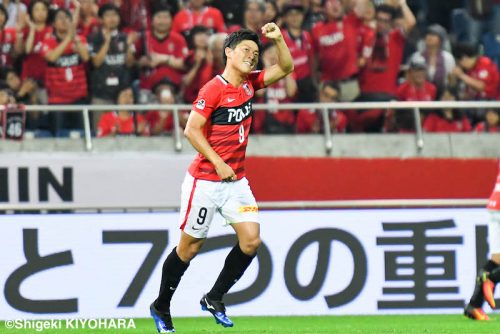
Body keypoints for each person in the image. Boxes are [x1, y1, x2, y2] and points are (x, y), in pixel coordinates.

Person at [149, 23, 293, 333]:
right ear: (228, 52)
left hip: (236, 183)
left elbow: (286, 67)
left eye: (256, 53)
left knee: (251, 241)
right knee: (188, 249)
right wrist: (218, 162)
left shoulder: (249, 84)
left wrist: (279, 39)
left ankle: (214, 297)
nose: (252, 57)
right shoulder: (213, 88)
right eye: (246, 51)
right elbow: (191, 130)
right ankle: (161, 306)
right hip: (204, 182)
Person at [464, 161, 500, 321]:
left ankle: (474, 306)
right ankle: (492, 279)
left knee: (497, 259)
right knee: (495, 265)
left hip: (495, 204)